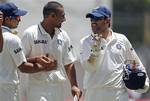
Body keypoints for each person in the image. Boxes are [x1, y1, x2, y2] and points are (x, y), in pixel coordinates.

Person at [79, 6, 149, 101]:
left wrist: (145, 83)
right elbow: (90, 67)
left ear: (107, 21)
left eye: (97, 18)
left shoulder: (121, 39)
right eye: (91, 19)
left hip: (118, 94)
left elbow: (136, 63)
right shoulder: (85, 42)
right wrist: (95, 50)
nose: (93, 22)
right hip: (94, 94)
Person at [21, 1, 81, 101]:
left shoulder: (63, 35)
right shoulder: (30, 33)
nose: (65, 19)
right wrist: (40, 64)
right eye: (62, 16)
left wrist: (74, 85)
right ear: (52, 16)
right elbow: (21, 62)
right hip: (37, 87)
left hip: (58, 88)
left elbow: (69, 63)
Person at [0, 2, 57, 101]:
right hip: (7, 91)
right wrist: (44, 66)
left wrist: (36, 59)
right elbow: (23, 67)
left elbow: (10, 60)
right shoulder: (12, 39)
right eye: (17, 17)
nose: (20, 20)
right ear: (8, 19)